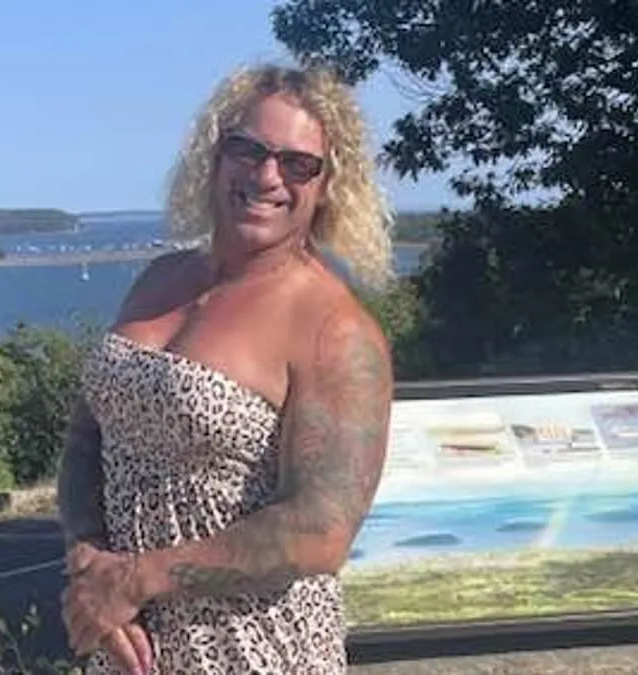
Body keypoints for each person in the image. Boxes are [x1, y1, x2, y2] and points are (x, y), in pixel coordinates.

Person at [57, 62, 396, 675]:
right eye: (248, 149)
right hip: (128, 644)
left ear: (328, 186)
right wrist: (90, 563)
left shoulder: (334, 330)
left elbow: (320, 529)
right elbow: (87, 436)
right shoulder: (159, 279)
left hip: (254, 652)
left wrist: (136, 579)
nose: (267, 176)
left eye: (298, 164)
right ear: (214, 157)